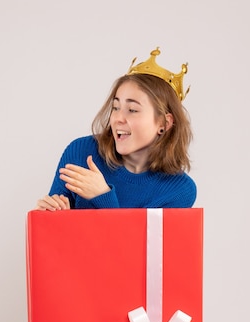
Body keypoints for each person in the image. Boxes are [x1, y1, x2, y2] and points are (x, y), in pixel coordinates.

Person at [34, 48, 196, 210]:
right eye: (116, 107)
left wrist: (103, 197)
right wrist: (50, 213)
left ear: (164, 123)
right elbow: (53, 232)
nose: (118, 118)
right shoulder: (81, 151)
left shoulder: (179, 191)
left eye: (132, 110)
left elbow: (137, 237)